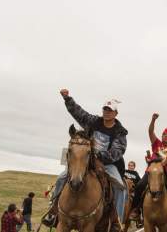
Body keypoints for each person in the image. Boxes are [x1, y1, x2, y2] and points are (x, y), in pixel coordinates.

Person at [50, 90, 127, 231]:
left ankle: (117, 222)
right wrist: (67, 99)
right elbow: (79, 112)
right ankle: (53, 211)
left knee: (120, 188)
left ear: (116, 113)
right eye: (105, 109)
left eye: (110, 110)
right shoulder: (94, 121)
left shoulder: (120, 131)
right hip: (85, 158)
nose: (107, 112)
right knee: (62, 177)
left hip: (107, 163)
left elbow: (118, 151)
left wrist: (99, 155)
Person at [131, 113, 167, 227]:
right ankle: (136, 210)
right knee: (140, 185)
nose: (165, 136)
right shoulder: (157, 144)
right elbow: (150, 132)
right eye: (164, 134)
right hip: (152, 172)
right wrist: (153, 120)